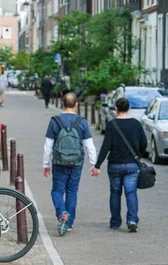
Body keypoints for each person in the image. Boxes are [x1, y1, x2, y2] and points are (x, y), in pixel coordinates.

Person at [42, 92, 98, 236]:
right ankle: (69, 223)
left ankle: (62, 213)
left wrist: (46, 164)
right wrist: (94, 164)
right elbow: (89, 145)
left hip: (59, 162)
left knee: (57, 191)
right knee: (72, 192)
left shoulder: (55, 121)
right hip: (76, 163)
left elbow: (48, 145)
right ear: (76, 105)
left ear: (62, 103)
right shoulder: (82, 122)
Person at [92, 97, 147, 232]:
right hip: (132, 165)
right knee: (131, 192)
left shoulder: (112, 125)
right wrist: (137, 153)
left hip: (115, 165)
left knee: (115, 193)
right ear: (129, 108)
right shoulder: (136, 124)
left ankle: (115, 221)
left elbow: (106, 147)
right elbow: (144, 144)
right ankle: (132, 219)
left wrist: (97, 165)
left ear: (116, 108)